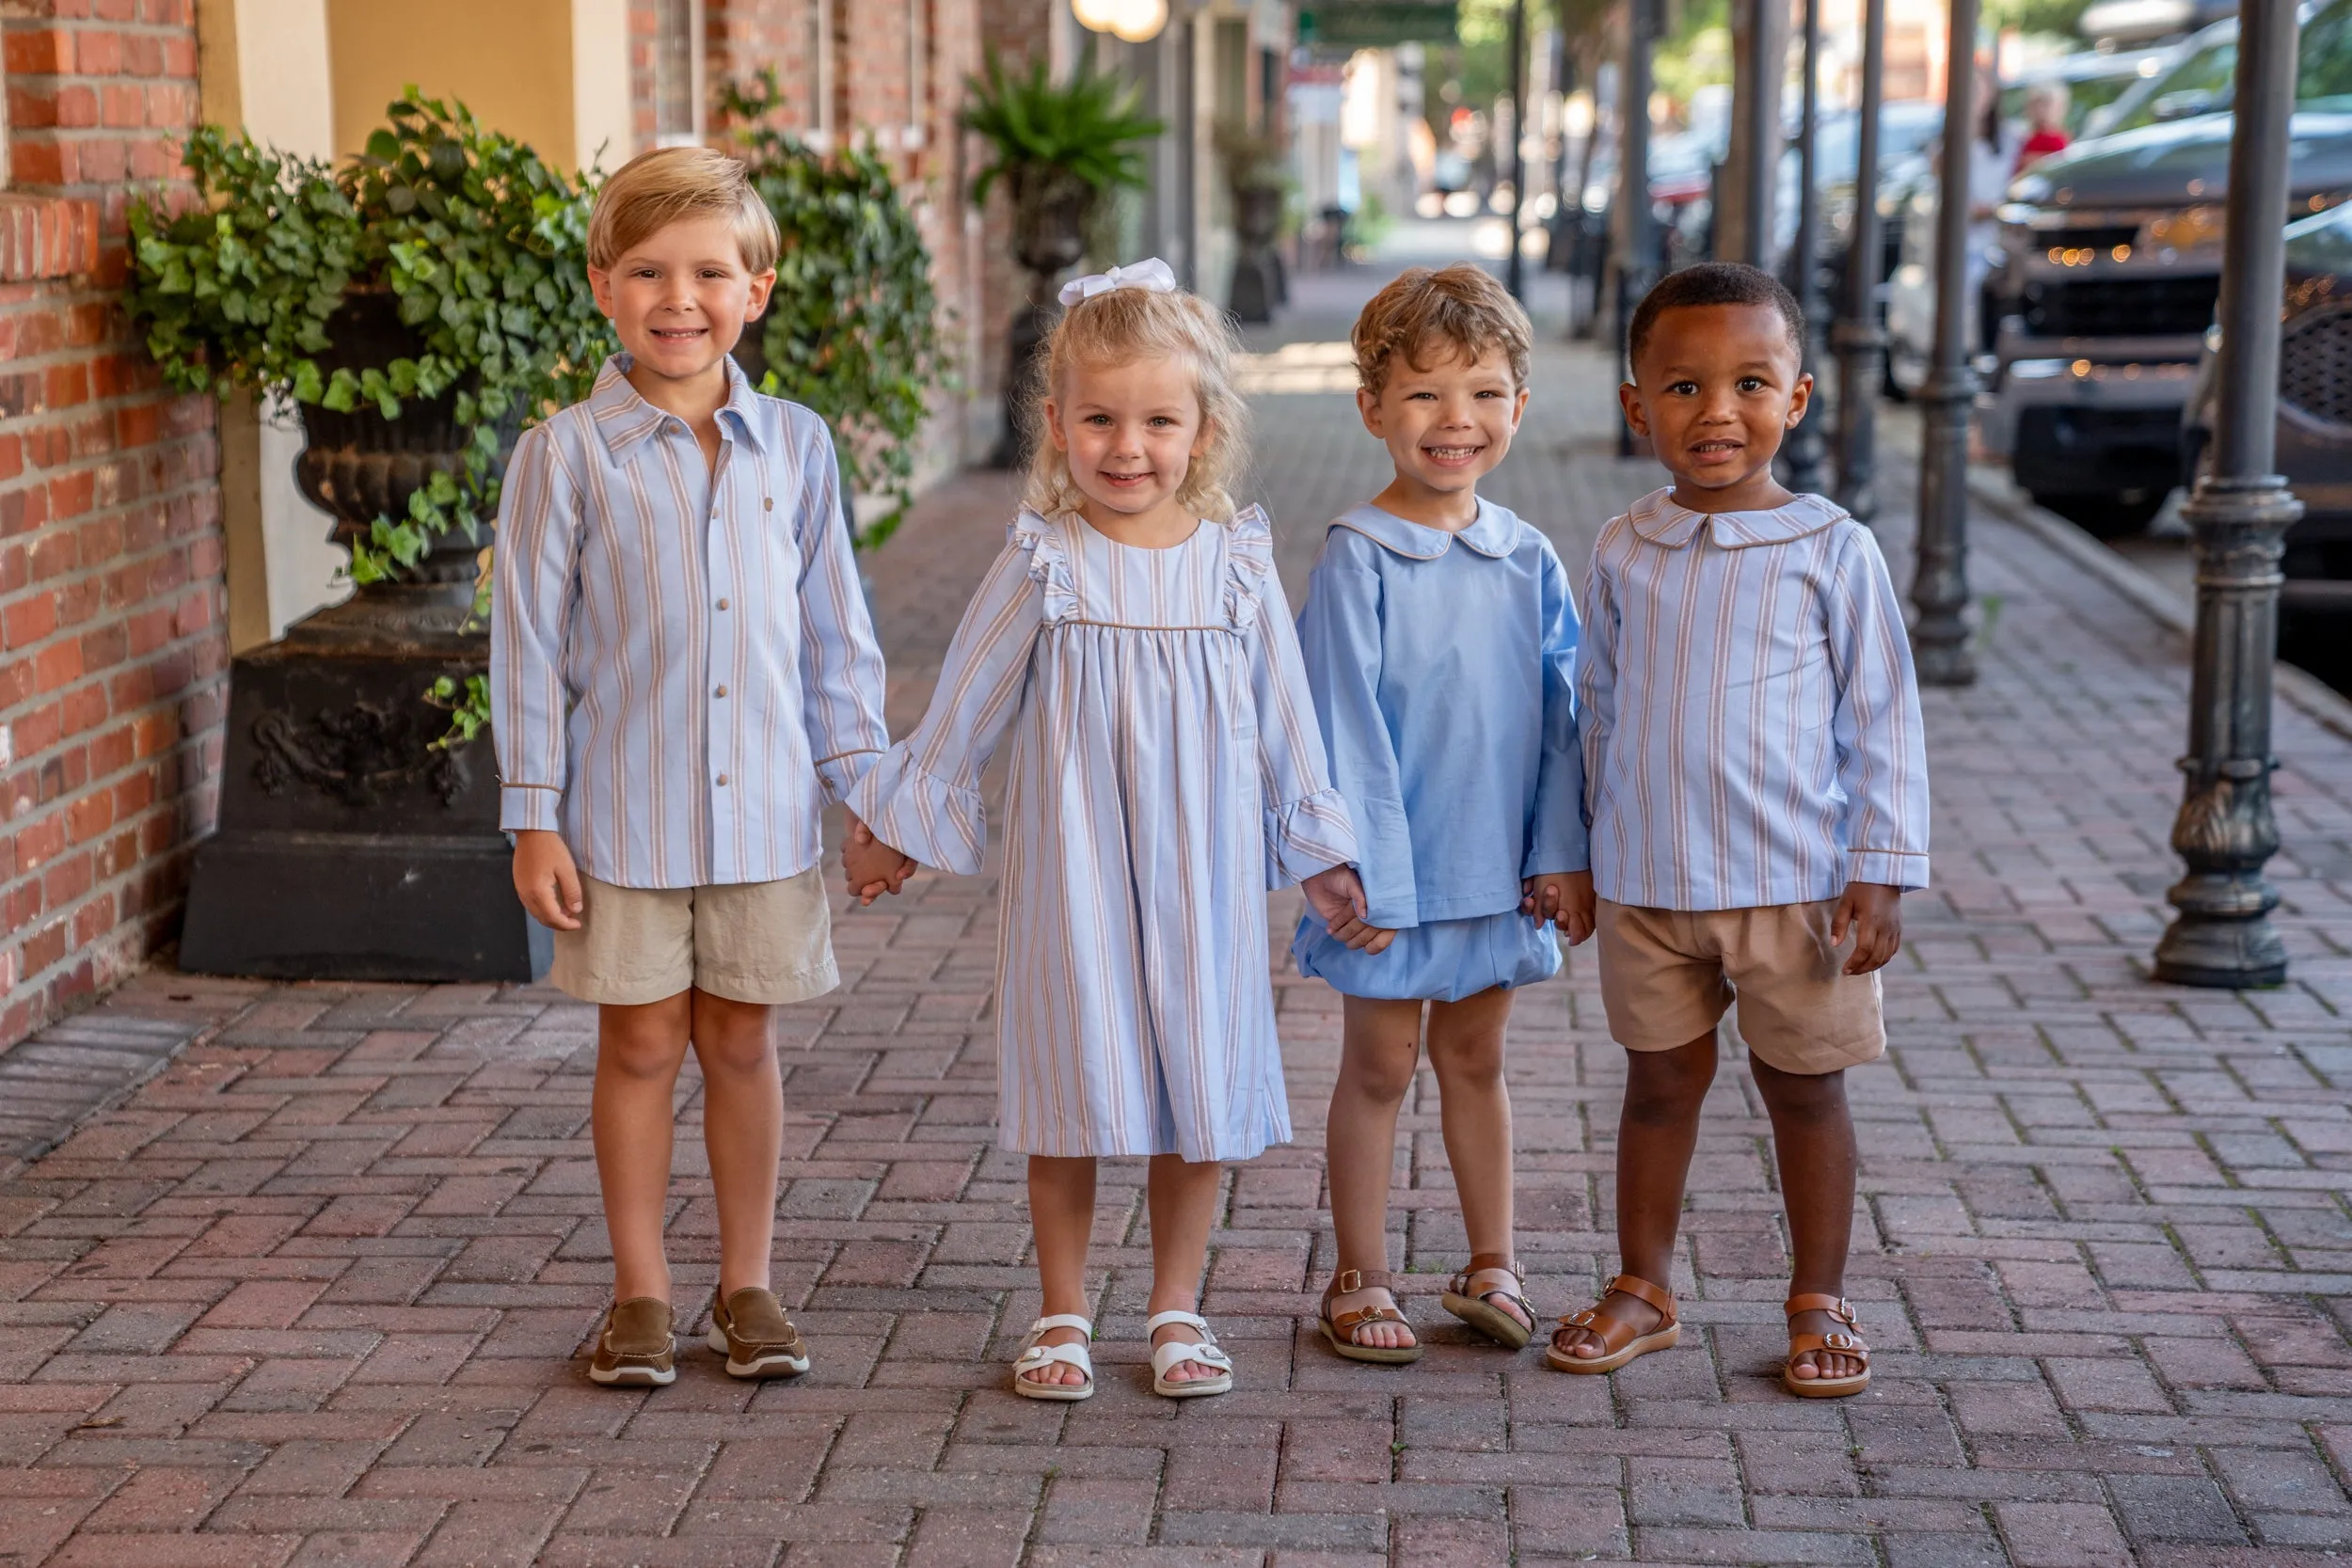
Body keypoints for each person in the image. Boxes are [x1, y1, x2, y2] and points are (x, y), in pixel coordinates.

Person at [846, 260, 1375, 1402]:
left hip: (1205, 865)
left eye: (1155, 420)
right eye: (1098, 418)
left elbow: (1286, 713)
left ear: (1204, 427)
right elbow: (967, 699)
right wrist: (897, 820)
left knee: (1197, 1068)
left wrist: (1320, 850)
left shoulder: (1231, 563)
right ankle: (1063, 1308)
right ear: (1056, 423)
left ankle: (1178, 1306)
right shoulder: (1044, 555)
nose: (1125, 445)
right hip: (1075, 863)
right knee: (1074, 1067)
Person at [491, 147, 904, 1388]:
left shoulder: (798, 447)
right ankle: (640, 1294)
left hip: (768, 818)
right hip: (623, 819)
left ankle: (748, 1283)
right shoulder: (564, 455)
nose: (681, 297)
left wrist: (868, 796)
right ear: (603, 286)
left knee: (741, 1043)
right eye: (650, 272)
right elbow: (527, 643)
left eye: (710, 272)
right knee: (638, 1046)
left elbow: (838, 637)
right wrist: (533, 817)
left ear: (757, 289)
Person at [1549, 261, 1928, 1399]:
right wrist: (1571, 851)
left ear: (1797, 398)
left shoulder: (1828, 548)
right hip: (1648, 883)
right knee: (1657, 1084)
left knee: (1804, 1089)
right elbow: (1594, 710)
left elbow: (1882, 713)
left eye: (1749, 383)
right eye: (1682, 387)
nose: (1716, 411)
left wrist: (1883, 865)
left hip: (1795, 889)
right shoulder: (1623, 547)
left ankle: (1818, 1298)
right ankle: (1642, 1285)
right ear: (1636, 407)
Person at [1291, 264, 1592, 1364]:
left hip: (1496, 868)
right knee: (1376, 1067)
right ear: (1372, 409)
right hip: (1386, 880)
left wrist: (1561, 850)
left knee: (1477, 1062)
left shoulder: (1528, 557)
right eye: (1421, 394)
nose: (1452, 420)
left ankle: (1492, 1258)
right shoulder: (1358, 554)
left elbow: (1565, 714)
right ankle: (1360, 1272)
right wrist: (1356, 870)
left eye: (1479, 393)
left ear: (1518, 405)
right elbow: (1338, 727)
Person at [2015, 81, 2072, 172]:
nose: (2041, 110)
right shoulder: (2023, 139)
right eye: (2036, 105)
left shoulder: (2058, 140)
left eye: (2047, 105)